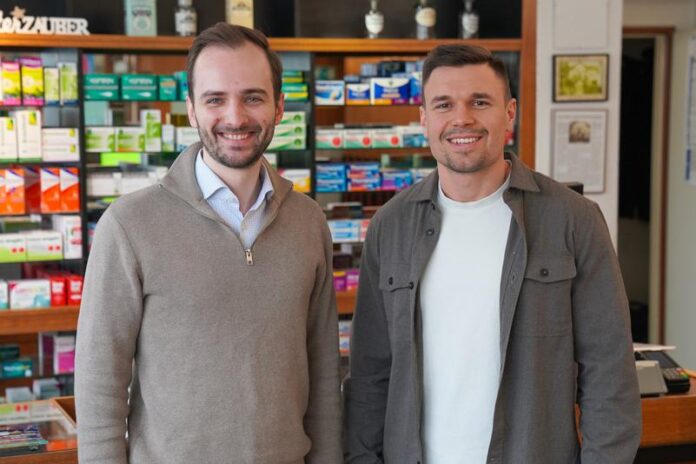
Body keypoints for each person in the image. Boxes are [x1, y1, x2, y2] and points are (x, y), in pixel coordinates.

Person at [343, 44, 641, 463]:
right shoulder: (390, 226)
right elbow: (370, 374)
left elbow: (610, 373)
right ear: (425, 120)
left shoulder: (573, 220)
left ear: (510, 113)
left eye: (479, 102)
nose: (461, 118)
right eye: (444, 104)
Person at [75, 23, 342, 464]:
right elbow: (99, 380)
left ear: (279, 107)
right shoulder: (129, 225)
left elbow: (324, 369)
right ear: (191, 110)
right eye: (215, 99)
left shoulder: (308, 222)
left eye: (253, 97)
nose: (235, 117)